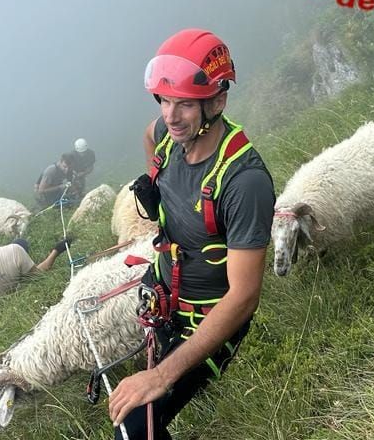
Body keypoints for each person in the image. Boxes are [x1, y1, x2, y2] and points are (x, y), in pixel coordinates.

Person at [108, 29, 275, 440]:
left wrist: (162, 375)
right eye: (164, 100)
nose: (170, 115)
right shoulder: (168, 137)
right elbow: (150, 134)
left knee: (133, 428)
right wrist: (158, 186)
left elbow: (244, 297)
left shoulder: (244, 183)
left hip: (208, 316)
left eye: (184, 103)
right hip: (165, 292)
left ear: (217, 102)